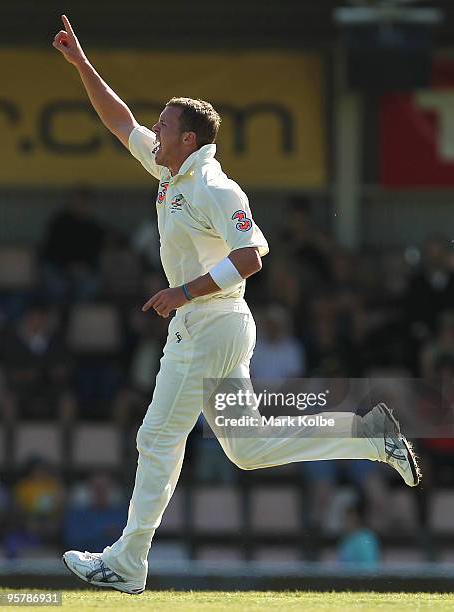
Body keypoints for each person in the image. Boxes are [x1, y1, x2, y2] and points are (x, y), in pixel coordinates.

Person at [53, 14, 420, 595]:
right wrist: (81, 65)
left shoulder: (214, 187)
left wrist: (183, 291)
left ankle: (127, 562)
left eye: (165, 124)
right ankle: (367, 435)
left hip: (213, 322)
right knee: (244, 450)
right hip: (203, 328)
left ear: (189, 139)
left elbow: (252, 256)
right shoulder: (172, 171)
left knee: (158, 438)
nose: (155, 128)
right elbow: (121, 121)